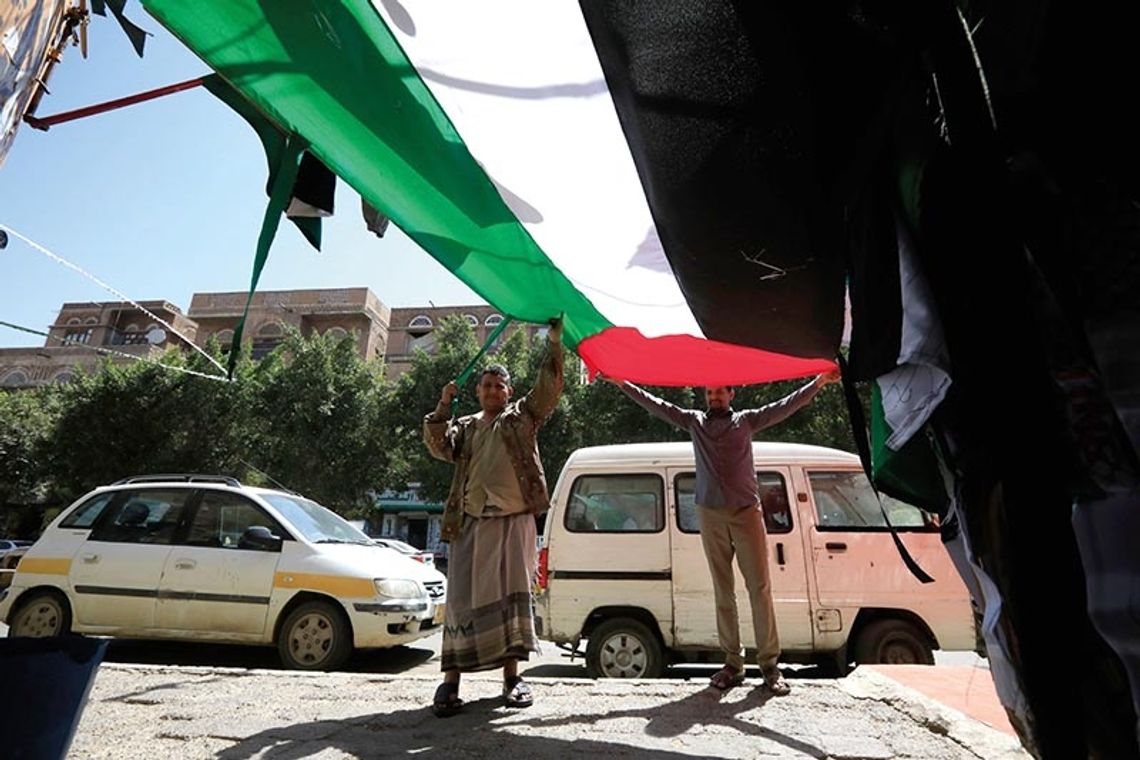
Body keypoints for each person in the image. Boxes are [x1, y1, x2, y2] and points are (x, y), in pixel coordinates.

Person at [600, 369, 840, 694]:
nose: (714, 397)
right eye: (709, 393)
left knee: (760, 589)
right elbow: (655, 404)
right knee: (723, 591)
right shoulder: (694, 422)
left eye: (719, 392)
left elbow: (787, 404)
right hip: (710, 513)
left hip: (746, 512)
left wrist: (819, 383)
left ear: (731, 394)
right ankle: (732, 664)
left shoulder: (747, 421)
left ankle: (770, 666)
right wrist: (621, 383)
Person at [423, 317, 564, 717]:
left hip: (514, 522)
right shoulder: (464, 427)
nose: (491, 391)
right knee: (462, 601)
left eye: (499, 386)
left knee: (511, 600)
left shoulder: (522, 418)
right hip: (469, 524)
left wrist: (553, 343)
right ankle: (450, 683)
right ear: (478, 390)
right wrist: (444, 404)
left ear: (509, 391)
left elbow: (549, 389)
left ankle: (512, 679)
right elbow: (437, 445)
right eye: (486, 385)